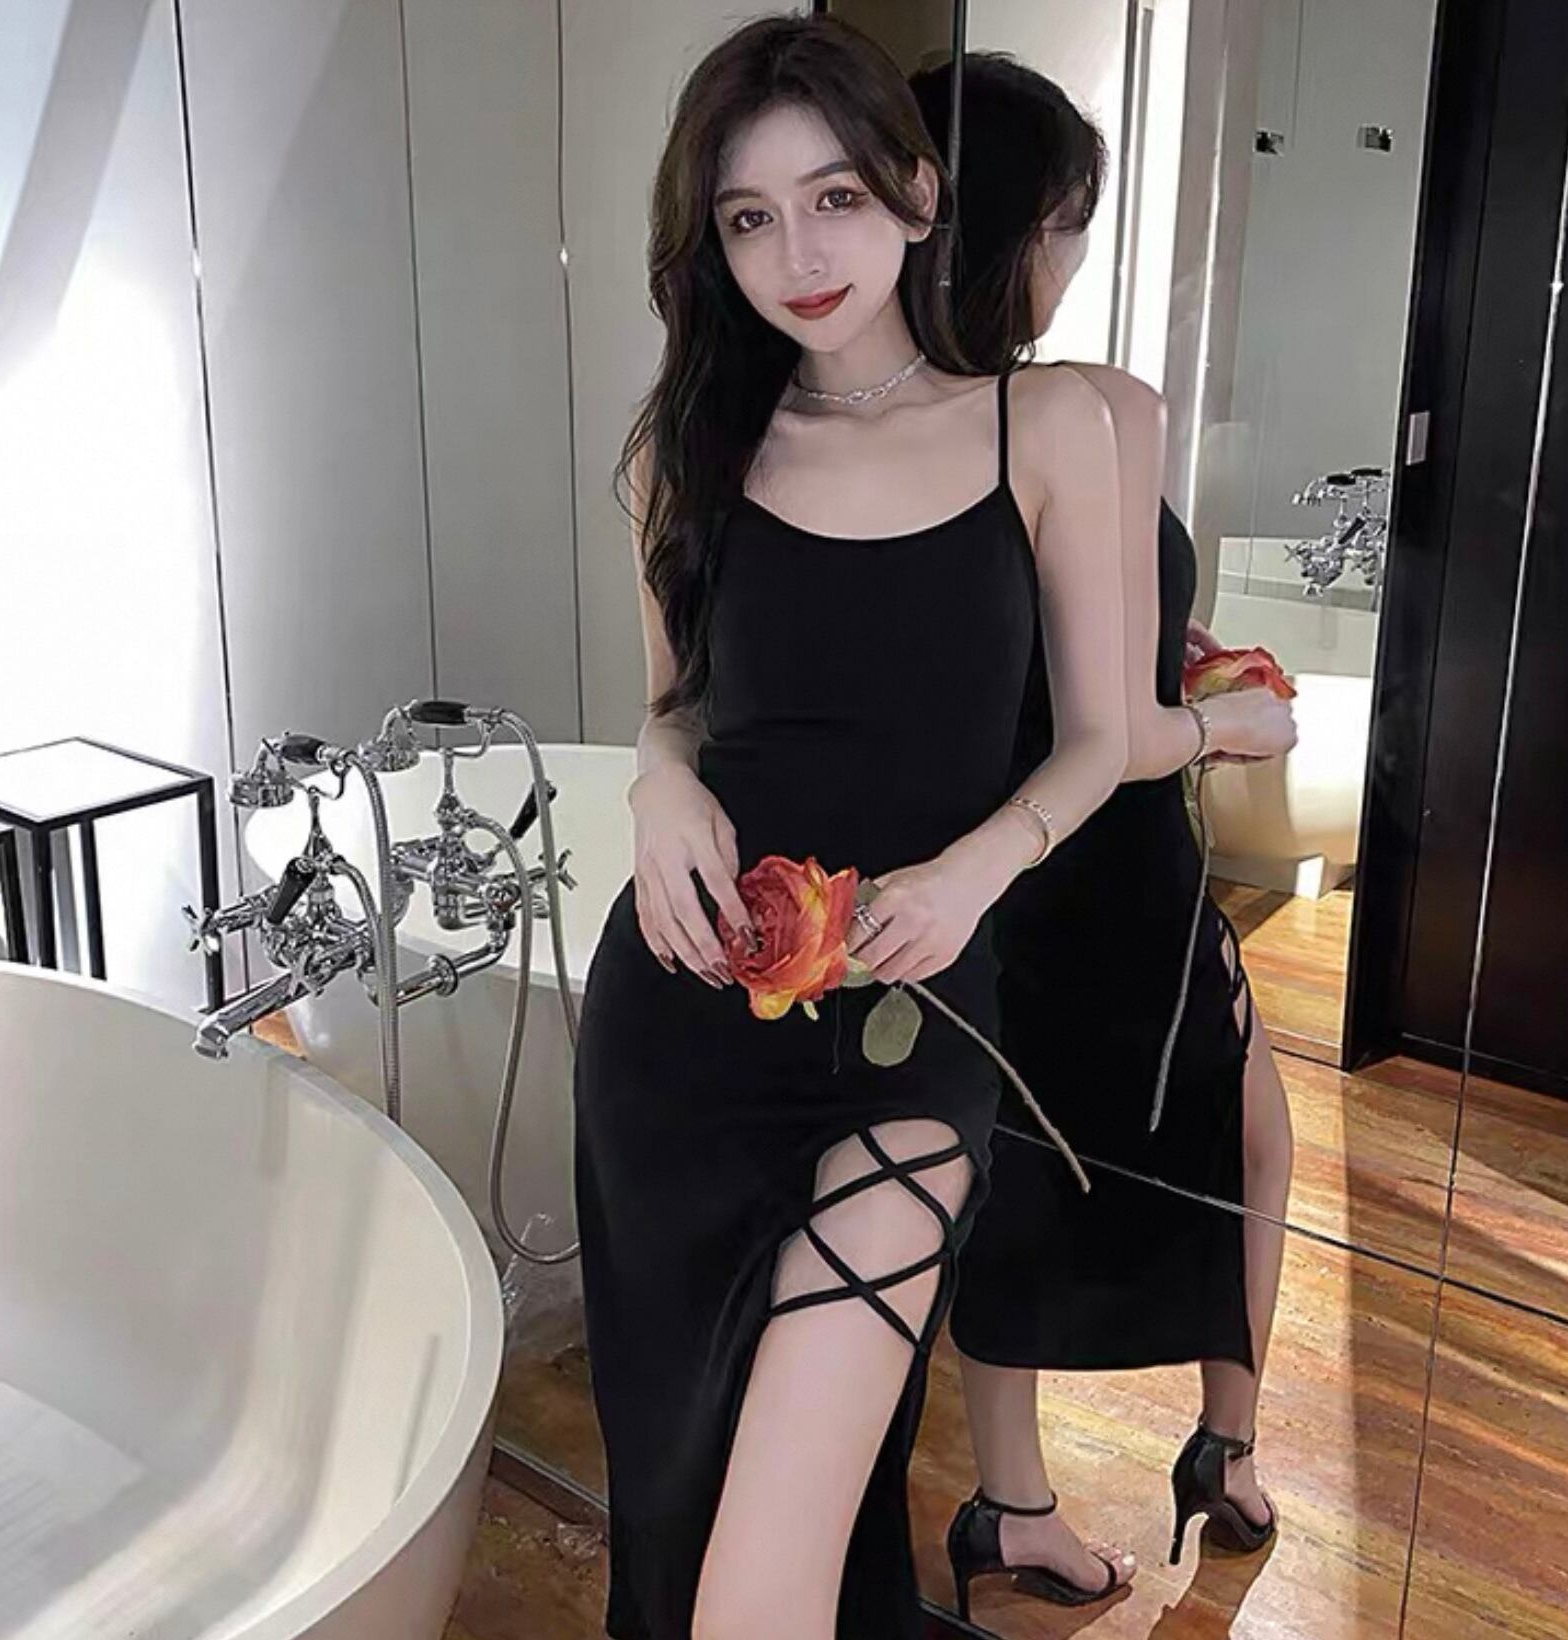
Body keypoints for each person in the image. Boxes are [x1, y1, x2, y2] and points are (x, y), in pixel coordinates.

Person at [570, 16, 1143, 1640]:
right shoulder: (686, 449)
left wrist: (977, 867)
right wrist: (657, 780)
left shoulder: (1046, 428)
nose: (799, 257)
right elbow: (678, 708)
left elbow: (1102, 739)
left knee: (763, 1572)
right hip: (682, 1024)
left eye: (833, 199)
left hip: (918, 1021)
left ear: (915, 189)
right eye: (749, 219)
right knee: (684, 1507)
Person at [909, 53, 1298, 1618]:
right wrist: (1229, 726)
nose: (1073, 256)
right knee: (1245, 1136)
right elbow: (1112, 728)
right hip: (1110, 857)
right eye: (1070, 222)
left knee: (1008, 1169)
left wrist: (1169, 654)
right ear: (1023, 227)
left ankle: (1015, 1501)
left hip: (980, 865)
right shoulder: (1085, 410)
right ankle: (1229, 1450)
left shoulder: (878, 426)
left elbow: (1032, 652)